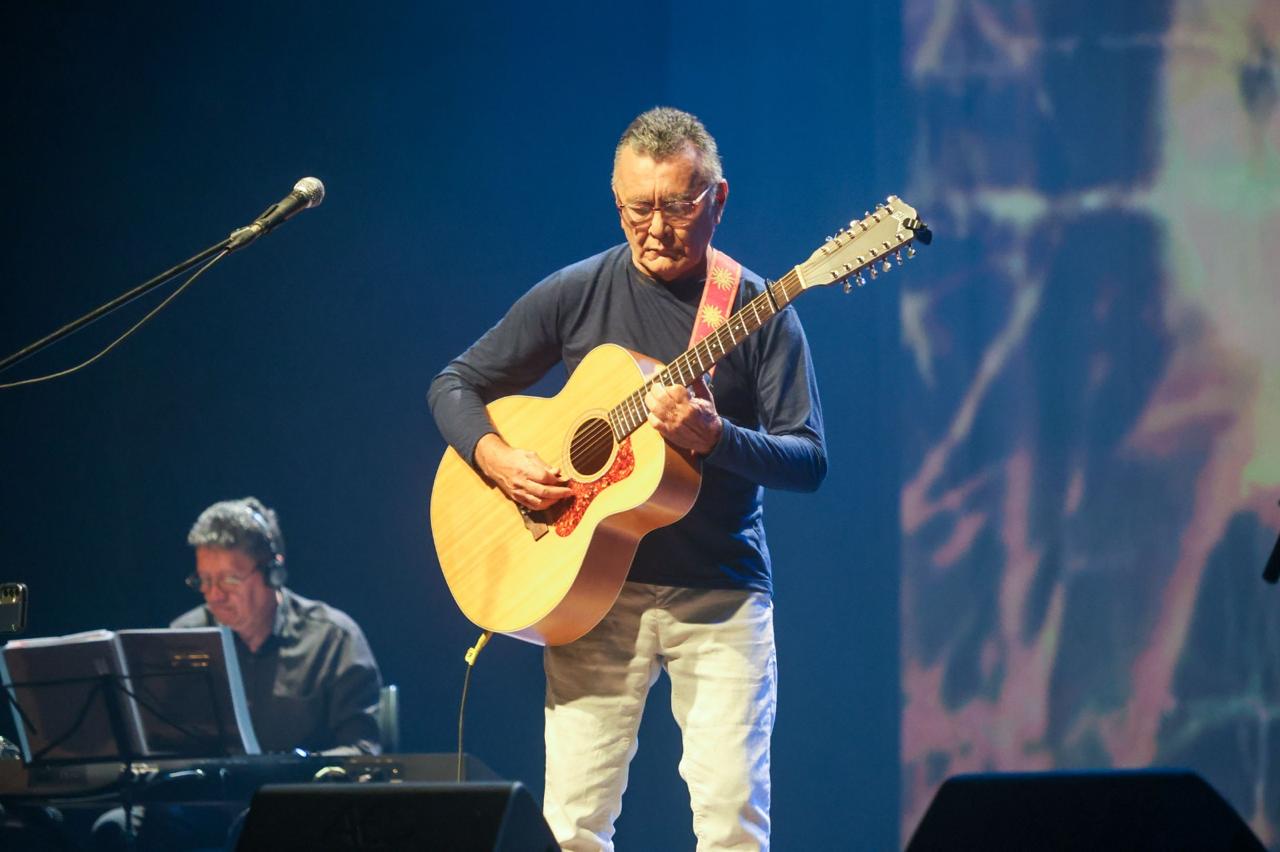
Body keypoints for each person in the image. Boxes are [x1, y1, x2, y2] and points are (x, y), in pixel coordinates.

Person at [429, 107, 826, 851]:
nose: (654, 228)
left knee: (733, 823)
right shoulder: (576, 292)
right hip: (588, 592)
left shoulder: (758, 310)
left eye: (676, 206)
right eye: (636, 208)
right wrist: (497, 457)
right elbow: (454, 385)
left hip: (722, 592)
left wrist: (719, 438)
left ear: (717, 199)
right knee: (573, 826)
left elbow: (807, 459)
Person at [94, 497, 383, 851]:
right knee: (113, 831)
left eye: (229, 579)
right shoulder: (183, 635)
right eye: (204, 580)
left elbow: (362, 751)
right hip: (197, 809)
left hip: (294, 812)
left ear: (273, 572)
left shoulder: (332, 638)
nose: (214, 596)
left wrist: (288, 770)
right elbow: (156, 749)